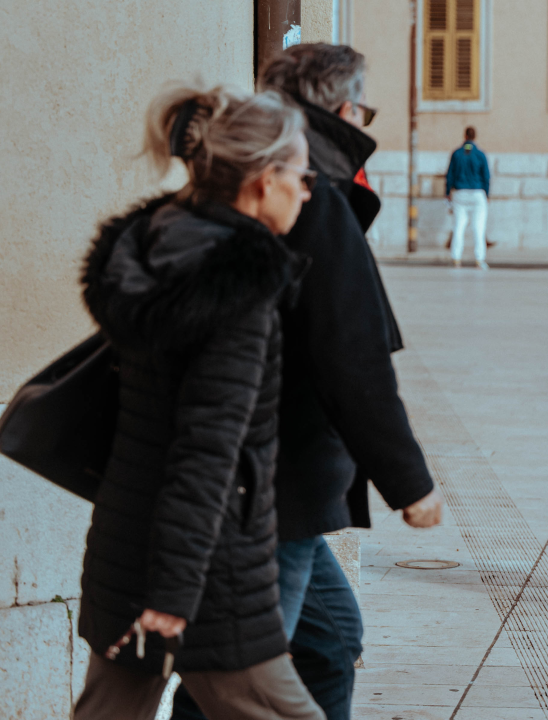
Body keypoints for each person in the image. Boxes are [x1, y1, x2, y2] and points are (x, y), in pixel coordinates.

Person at [170, 44, 443, 720]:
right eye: (363, 110)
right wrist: (410, 483)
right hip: (278, 480)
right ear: (345, 109)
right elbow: (350, 356)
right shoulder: (310, 192)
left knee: (327, 641)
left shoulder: (258, 176)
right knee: (238, 676)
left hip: (272, 479)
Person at [74, 84, 322, 719]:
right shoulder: (236, 291)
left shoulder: (161, 248)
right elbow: (207, 451)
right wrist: (172, 597)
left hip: (129, 547)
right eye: (302, 176)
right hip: (208, 573)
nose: (307, 191)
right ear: (263, 181)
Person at [445, 126, 491, 269]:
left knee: (458, 226)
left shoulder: (456, 153)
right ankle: (479, 259)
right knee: (479, 227)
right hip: (477, 193)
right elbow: (486, 176)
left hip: (460, 193)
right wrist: (487, 193)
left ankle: (456, 258)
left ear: (465, 136)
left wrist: (447, 192)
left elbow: (450, 175)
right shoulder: (480, 154)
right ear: (474, 137)